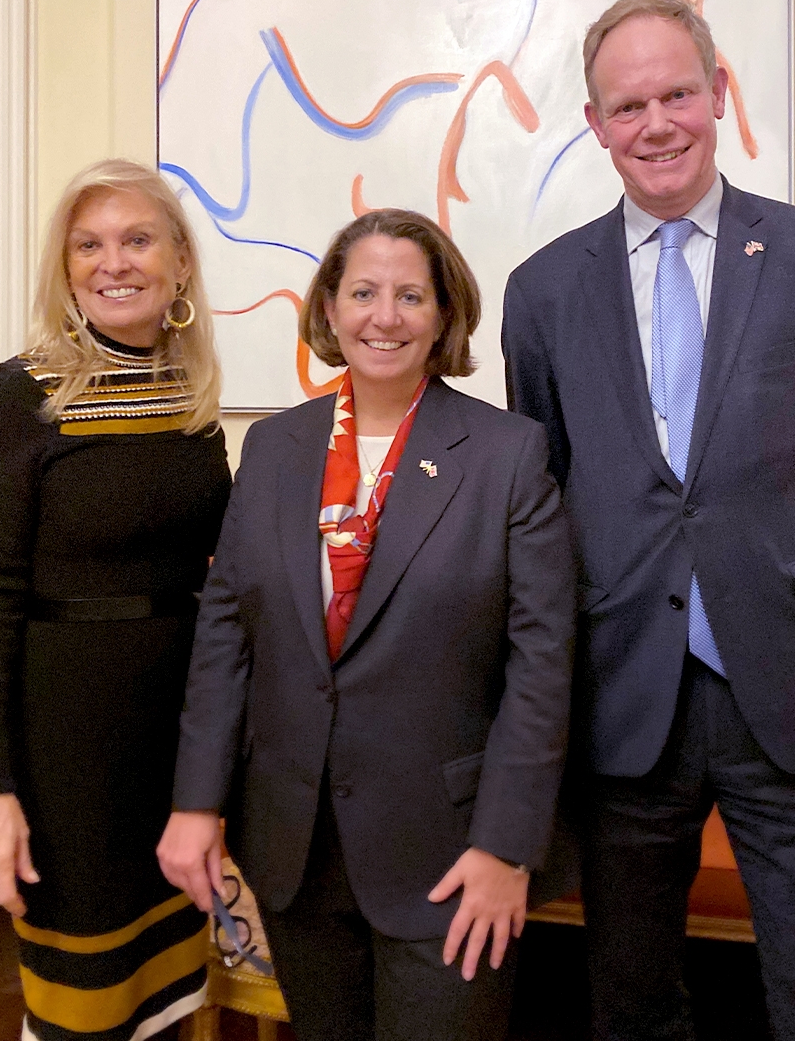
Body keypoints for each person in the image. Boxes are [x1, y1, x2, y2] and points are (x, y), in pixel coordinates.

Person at [501, 0, 795, 1041]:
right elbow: (545, 492)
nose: (658, 123)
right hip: (628, 706)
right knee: (631, 1004)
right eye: (629, 105)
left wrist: (793, 597)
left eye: (678, 93)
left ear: (719, 95)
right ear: (596, 125)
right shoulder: (542, 293)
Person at [157, 209, 574, 1041]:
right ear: (331, 310)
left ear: (443, 314)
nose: (385, 316)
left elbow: (543, 664)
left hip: (451, 854)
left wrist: (506, 847)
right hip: (297, 845)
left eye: (410, 295)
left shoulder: (507, 454)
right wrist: (196, 801)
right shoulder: (275, 448)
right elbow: (226, 634)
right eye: (364, 293)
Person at [0, 158, 233, 1041]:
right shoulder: (25, 389)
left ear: (179, 264)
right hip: (67, 750)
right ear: (67, 268)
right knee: (84, 1010)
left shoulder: (190, 394)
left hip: (177, 743)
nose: (113, 263)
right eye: (89, 245)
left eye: (137, 239)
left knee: (170, 995)